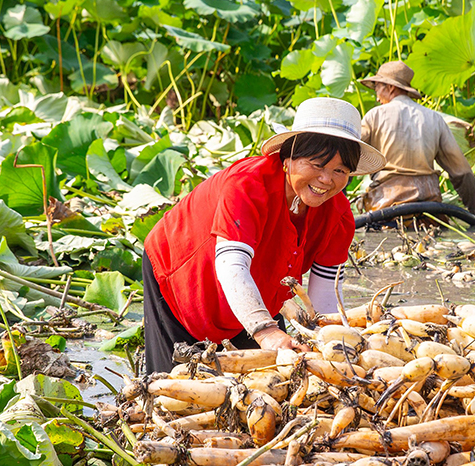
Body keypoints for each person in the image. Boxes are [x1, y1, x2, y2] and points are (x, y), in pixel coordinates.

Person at [142, 97, 385, 374]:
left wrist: (326, 344)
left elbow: (325, 294)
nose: (327, 180)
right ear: (289, 158)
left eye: (339, 171)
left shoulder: (338, 216)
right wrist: (265, 330)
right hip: (182, 269)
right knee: (178, 382)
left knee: (273, 371)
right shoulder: (247, 185)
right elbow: (232, 266)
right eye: (317, 165)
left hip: (259, 283)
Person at [358, 61, 475, 221]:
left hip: (386, 209)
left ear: (390, 87)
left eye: (377, 87)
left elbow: (348, 153)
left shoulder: (374, 115)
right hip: (430, 209)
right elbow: (462, 171)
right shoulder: (435, 118)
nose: (377, 97)